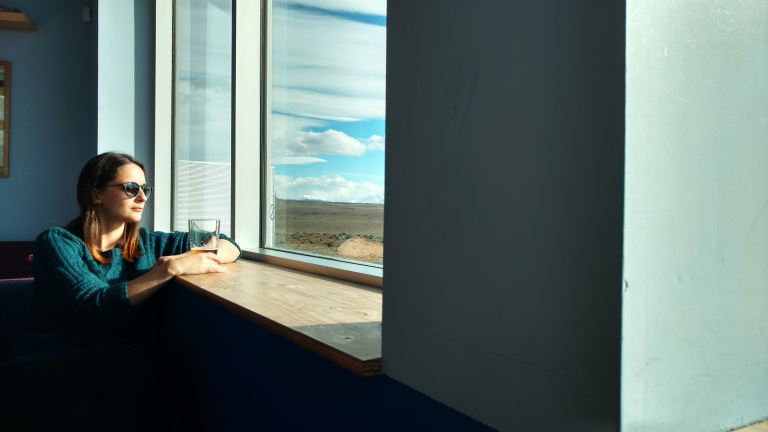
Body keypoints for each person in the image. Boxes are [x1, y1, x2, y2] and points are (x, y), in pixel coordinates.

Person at [0, 152, 241, 430]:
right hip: (51, 362)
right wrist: (167, 270)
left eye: (145, 189)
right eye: (131, 188)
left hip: (117, 369)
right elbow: (94, 305)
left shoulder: (147, 244)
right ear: (96, 194)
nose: (142, 197)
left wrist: (207, 256)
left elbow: (227, 242)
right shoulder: (57, 242)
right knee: (132, 366)